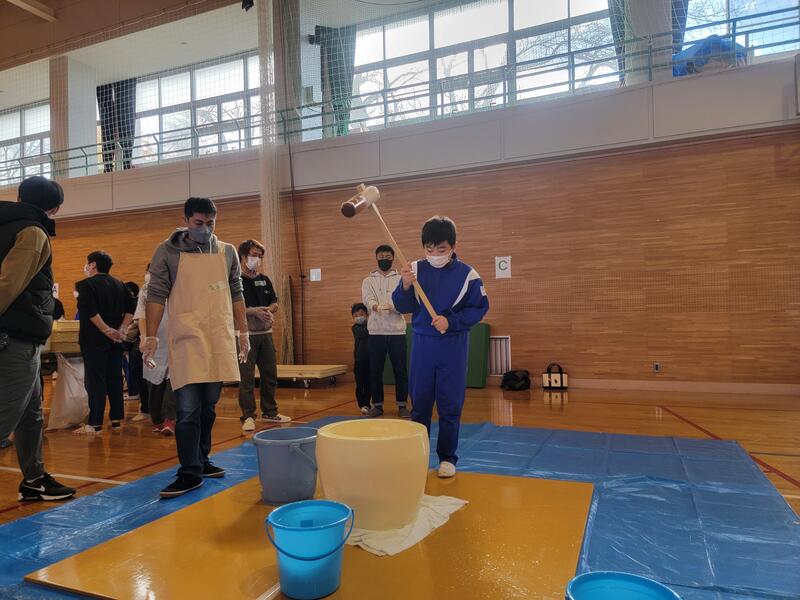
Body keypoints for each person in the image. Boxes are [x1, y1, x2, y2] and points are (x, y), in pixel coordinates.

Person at [143, 197, 250, 498]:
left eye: (211, 223)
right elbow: (156, 295)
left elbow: (236, 292)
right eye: (199, 223)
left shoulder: (227, 251)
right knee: (188, 409)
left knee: (208, 406)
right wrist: (151, 336)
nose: (205, 229)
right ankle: (189, 471)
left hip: (217, 336)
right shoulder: (167, 251)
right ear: (186, 221)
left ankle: (202, 459)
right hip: (187, 337)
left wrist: (243, 331)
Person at [392, 216, 489, 479]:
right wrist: (405, 285)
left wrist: (452, 321)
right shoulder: (413, 270)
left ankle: (447, 457)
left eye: (441, 249)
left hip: (453, 346)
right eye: (429, 249)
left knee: (450, 403)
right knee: (420, 403)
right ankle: (417, 456)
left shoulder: (468, 275)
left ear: (453, 246)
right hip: (422, 344)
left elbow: (479, 308)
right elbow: (402, 306)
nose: (435, 255)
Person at [0, 175, 75, 501]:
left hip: (18, 334)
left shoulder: (8, 225)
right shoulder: (32, 232)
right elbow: (8, 285)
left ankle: (34, 478)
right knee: (6, 414)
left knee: (31, 413)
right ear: (54, 208)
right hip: (15, 337)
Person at [73, 251, 135, 434]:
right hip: (116, 340)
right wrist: (121, 329)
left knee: (96, 380)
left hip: (94, 339)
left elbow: (89, 310)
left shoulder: (85, 284)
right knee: (115, 378)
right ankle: (116, 419)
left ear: (92, 265)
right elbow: (131, 308)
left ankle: (95, 423)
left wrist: (106, 330)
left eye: (87, 263)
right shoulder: (120, 284)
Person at [237, 239, 289, 432]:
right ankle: (248, 416)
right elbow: (232, 308)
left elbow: (274, 302)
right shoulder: (235, 280)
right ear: (243, 256)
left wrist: (269, 310)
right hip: (245, 335)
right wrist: (254, 312)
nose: (257, 259)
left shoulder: (264, 279)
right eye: (253, 255)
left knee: (270, 375)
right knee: (247, 378)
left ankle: (270, 411)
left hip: (266, 334)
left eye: (260, 256)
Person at [361, 245, 410, 418]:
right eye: (381, 256)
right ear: (376, 258)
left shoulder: (400, 279)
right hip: (376, 332)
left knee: (400, 370)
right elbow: (367, 299)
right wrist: (376, 307)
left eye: (388, 256)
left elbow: (404, 299)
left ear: (393, 258)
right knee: (375, 370)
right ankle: (377, 405)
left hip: (397, 332)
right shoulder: (368, 281)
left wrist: (392, 306)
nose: (384, 259)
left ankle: (402, 405)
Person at [133, 265, 175, 436]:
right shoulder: (146, 289)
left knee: (173, 381)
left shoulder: (176, 286)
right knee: (154, 383)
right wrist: (145, 337)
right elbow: (141, 315)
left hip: (175, 341)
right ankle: (157, 419)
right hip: (154, 342)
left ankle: (170, 420)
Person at [351, 303, 371, 415]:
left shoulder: (370, 325)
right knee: (360, 383)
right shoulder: (355, 328)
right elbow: (363, 334)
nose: (359, 317)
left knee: (369, 383)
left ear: (366, 315)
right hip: (359, 360)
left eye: (362, 314)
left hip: (370, 360)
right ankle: (361, 404)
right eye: (356, 315)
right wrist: (371, 324)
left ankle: (367, 404)